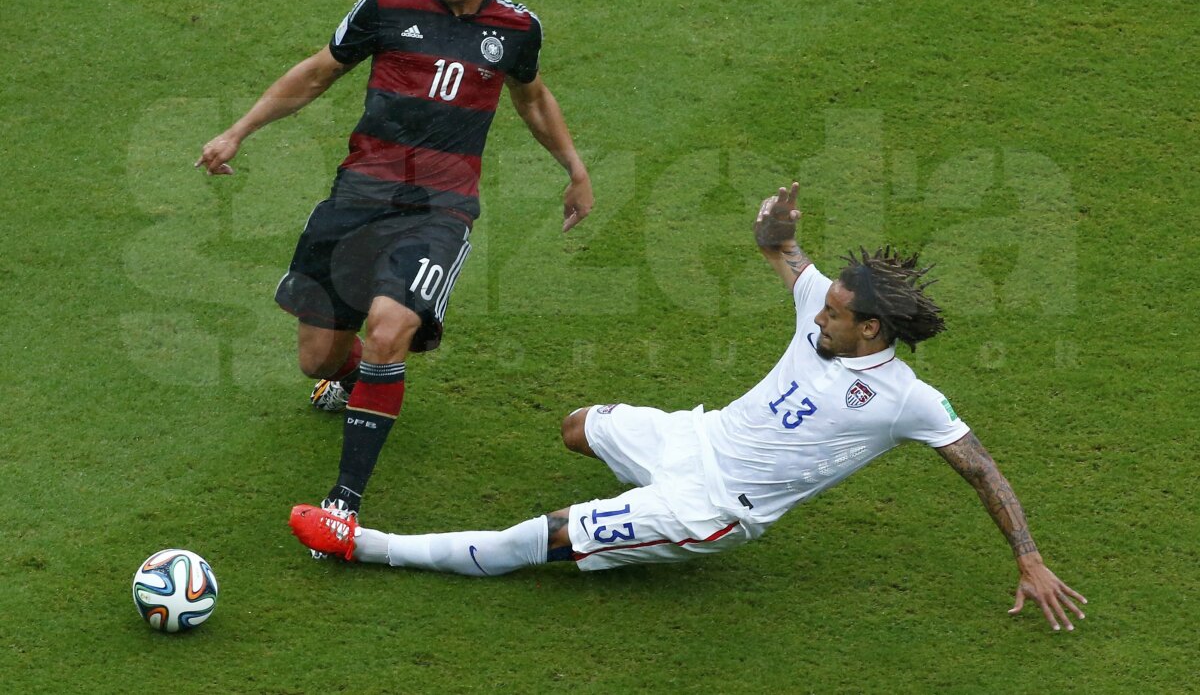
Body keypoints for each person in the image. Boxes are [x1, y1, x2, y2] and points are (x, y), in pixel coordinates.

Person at [289, 182, 1086, 631]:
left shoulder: (907, 399)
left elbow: (979, 467)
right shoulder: (824, 314)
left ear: (871, 329)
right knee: (578, 426)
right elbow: (779, 247)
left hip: (714, 504)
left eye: (836, 314)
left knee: (540, 538)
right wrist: (775, 224)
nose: (818, 314)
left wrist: (1027, 553)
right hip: (692, 436)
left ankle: (370, 545)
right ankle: (628, 512)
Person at [196, 0, 594, 552]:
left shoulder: (516, 29)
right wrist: (239, 131)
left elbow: (532, 96)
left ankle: (343, 504)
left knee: (389, 331)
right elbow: (318, 72)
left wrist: (574, 168)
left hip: (439, 211)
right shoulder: (387, 5)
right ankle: (351, 379)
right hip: (357, 201)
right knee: (316, 356)